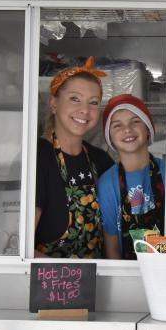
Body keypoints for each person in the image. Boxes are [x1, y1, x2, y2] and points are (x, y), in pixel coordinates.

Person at [34, 58, 115, 258]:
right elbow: (20, 245)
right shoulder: (37, 157)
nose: (85, 111)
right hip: (50, 283)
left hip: (97, 280)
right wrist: (71, 278)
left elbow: (114, 233)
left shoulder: (101, 161)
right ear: (53, 103)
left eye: (93, 102)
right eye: (75, 99)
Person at [96, 94, 166, 259]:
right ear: (110, 138)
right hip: (128, 274)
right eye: (117, 125)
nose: (127, 129)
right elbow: (111, 246)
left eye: (135, 121)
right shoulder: (107, 184)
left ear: (148, 129)